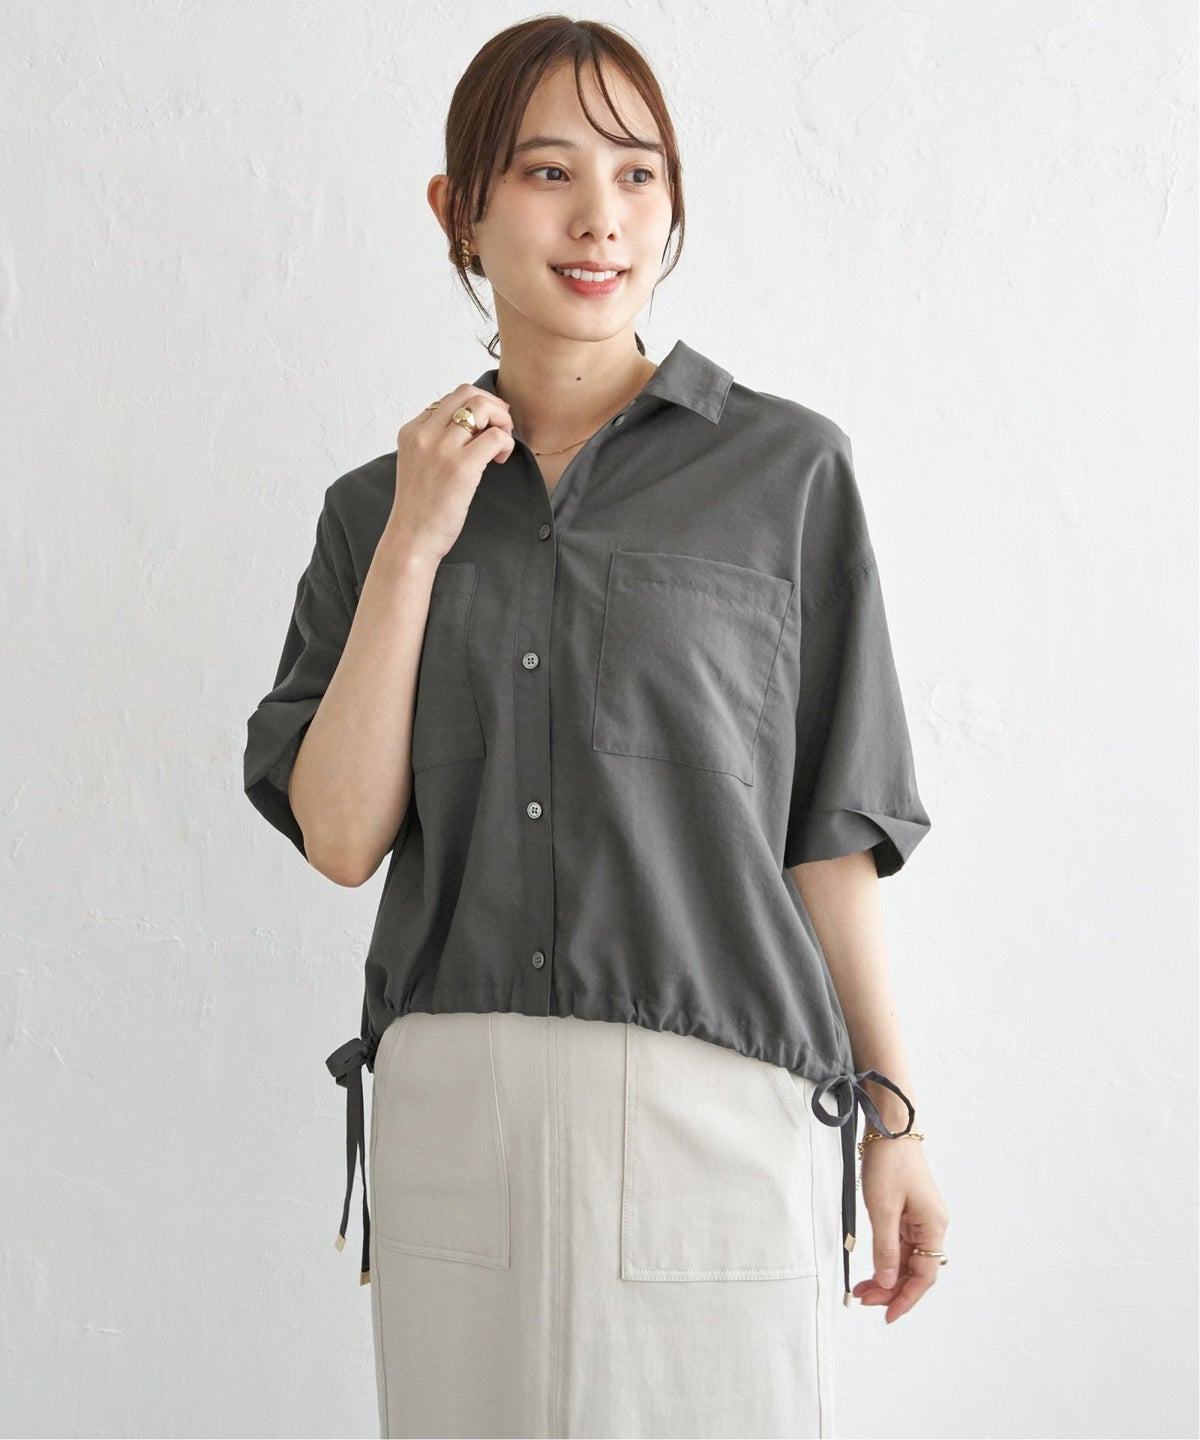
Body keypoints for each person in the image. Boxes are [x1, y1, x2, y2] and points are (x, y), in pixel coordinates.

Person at [243, 16, 950, 1439]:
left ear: (674, 201)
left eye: (637, 174)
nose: (600, 219)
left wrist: (897, 1121)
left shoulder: (786, 473)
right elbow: (340, 836)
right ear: (458, 208)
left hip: (721, 1104)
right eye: (548, 171)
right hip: (461, 1115)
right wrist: (418, 542)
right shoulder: (373, 511)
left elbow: (829, 832)